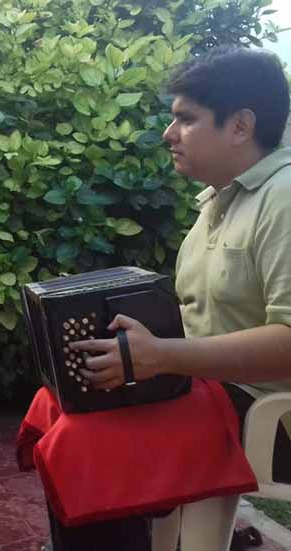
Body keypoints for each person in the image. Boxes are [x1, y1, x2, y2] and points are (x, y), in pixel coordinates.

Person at [22, 47, 291, 550]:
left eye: (185, 119)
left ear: (240, 126)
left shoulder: (285, 198)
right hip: (214, 395)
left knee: (89, 445)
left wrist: (164, 356)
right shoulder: (219, 200)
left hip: (269, 417)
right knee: (61, 400)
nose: (169, 134)